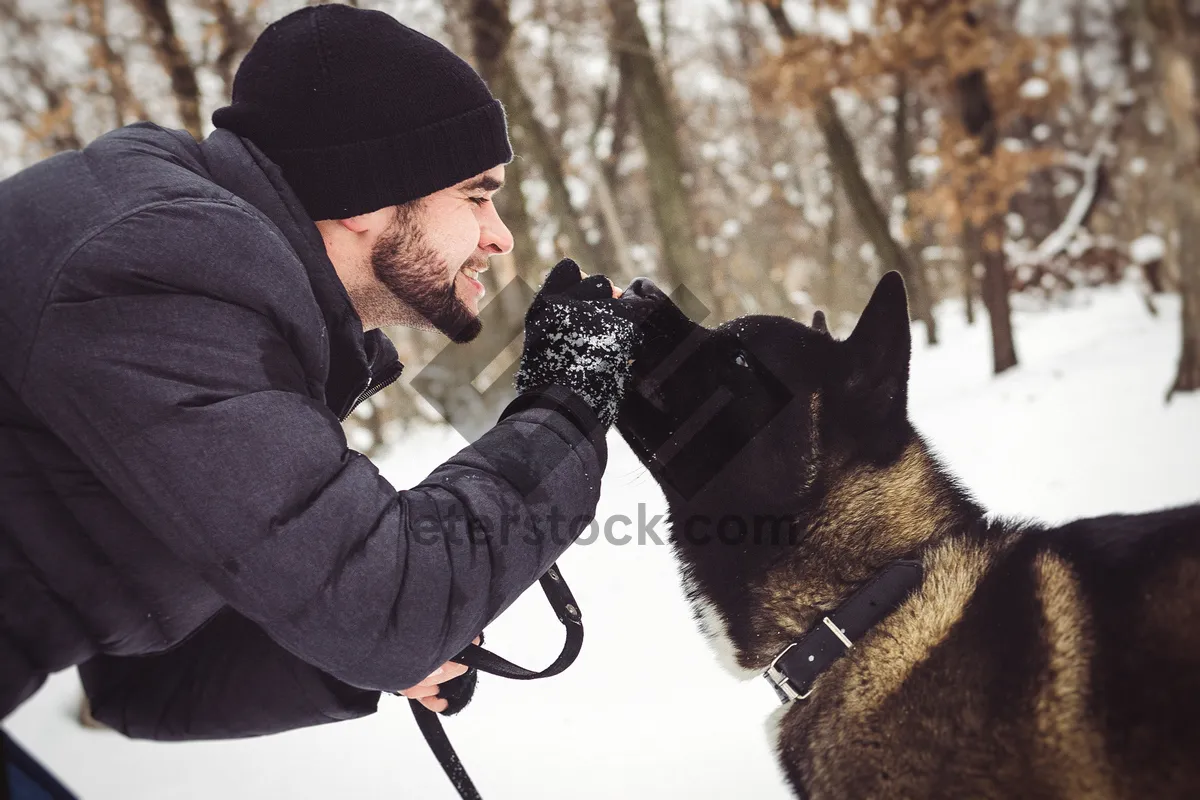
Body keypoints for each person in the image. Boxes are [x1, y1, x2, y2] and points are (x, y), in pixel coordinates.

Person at [0, 3, 641, 746]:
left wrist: (361, 655)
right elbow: (387, 603)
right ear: (367, 195)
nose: (498, 237)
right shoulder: (162, 266)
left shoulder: (205, 280)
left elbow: (143, 680)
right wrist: (566, 402)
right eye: (476, 192)